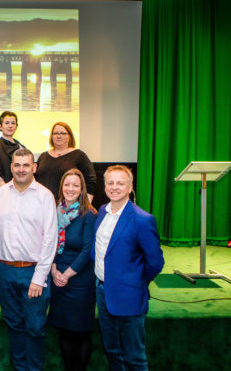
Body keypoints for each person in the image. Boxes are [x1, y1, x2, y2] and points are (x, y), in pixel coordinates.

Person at [0, 148, 58, 371]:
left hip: (33, 272)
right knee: (14, 325)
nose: (21, 169)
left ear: (34, 167)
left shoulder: (45, 196)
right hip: (4, 271)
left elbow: (50, 238)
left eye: (26, 165)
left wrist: (39, 277)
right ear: (11, 167)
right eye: (17, 165)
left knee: (35, 327)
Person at [91, 165, 164, 370]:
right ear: (105, 187)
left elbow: (155, 262)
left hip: (129, 296)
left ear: (130, 187)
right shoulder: (102, 212)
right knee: (112, 350)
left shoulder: (143, 219)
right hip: (102, 292)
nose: (115, 187)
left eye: (120, 183)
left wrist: (134, 283)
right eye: (110, 183)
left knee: (134, 356)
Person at [48, 169, 97, 371]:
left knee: (81, 332)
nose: (70, 189)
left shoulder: (89, 214)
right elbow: (49, 243)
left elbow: (87, 250)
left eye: (75, 185)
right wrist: (53, 271)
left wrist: (66, 274)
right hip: (57, 277)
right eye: (67, 184)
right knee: (65, 331)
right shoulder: (54, 211)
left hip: (80, 280)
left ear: (82, 189)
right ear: (61, 187)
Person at [35, 122, 96, 202]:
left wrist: (86, 205)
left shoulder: (79, 155)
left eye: (63, 133)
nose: (59, 136)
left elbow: (91, 181)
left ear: (69, 136)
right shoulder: (43, 156)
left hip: (67, 208)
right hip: (42, 204)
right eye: (55, 133)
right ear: (51, 136)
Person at [0, 111, 25, 195]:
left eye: (13, 123)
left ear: (16, 126)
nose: (10, 126)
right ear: (0, 126)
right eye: (7, 123)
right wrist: (6, 191)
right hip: (1, 192)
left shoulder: (22, 148)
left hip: (20, 192)